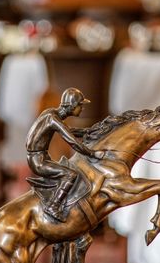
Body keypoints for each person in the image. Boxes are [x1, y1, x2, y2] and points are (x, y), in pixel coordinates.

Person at [26, 87, 104, 221]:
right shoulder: (52, 119)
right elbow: (71, 141)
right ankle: (53, 206)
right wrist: (92, 154)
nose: (82, 108)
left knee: (71, 169)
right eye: (80, 105)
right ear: (71, 106)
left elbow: (68, 130)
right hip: (38, 161)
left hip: (41, 157)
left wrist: (88, 132)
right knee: (71, 175)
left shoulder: (51, 114)